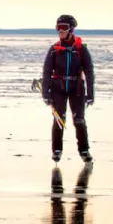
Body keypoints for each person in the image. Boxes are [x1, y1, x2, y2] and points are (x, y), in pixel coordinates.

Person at [41, 14, 95, 163]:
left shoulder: (81, 50)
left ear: (71, 29)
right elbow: (46, 72)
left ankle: (84, 150)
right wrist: (45, 93)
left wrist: (90, 94)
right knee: (59, 119)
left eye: (63, 27)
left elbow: (89, 73)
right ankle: (57, 150)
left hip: (76, 89)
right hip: (57, 88)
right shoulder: (54, 50)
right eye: (58, 28)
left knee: (79, 120)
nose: (60, 31)